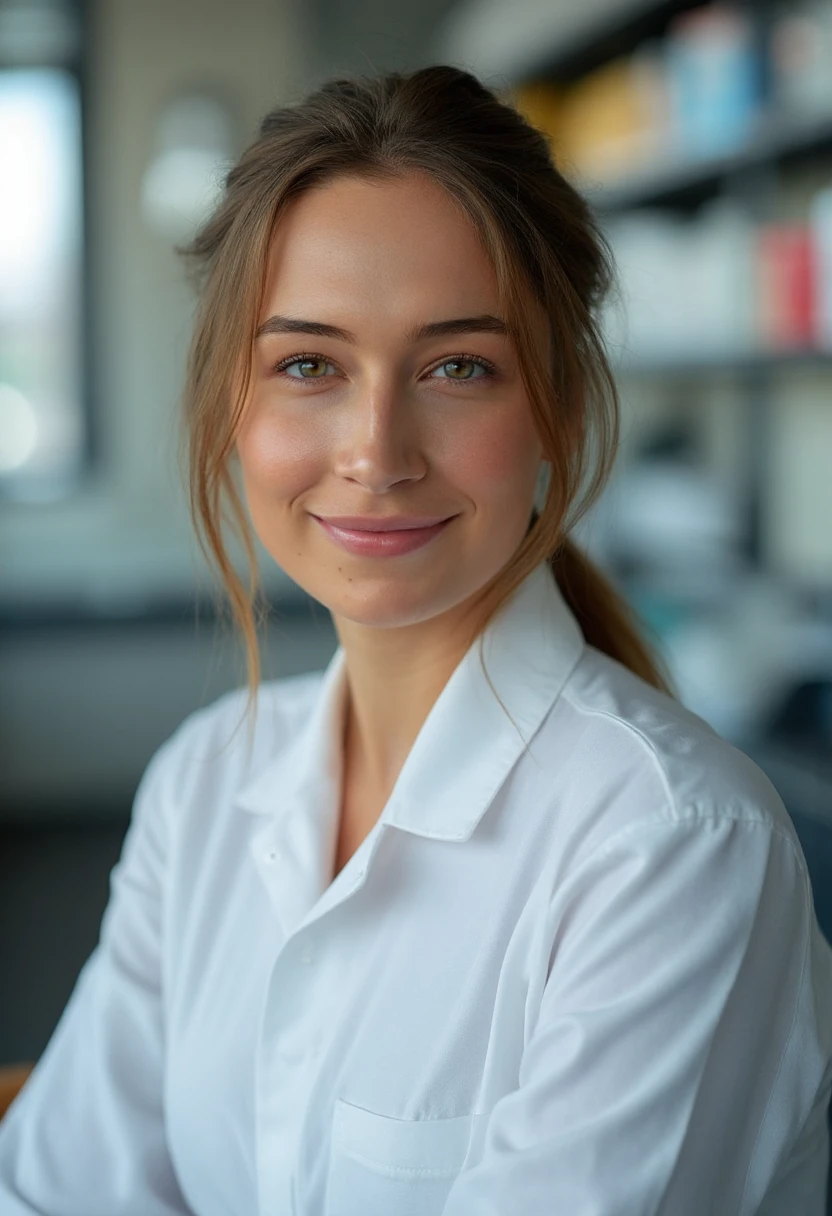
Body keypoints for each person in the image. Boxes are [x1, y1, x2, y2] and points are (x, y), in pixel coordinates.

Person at [0, 64, 830, 1216]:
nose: (376, 450)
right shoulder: (204, 782)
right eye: (308, 365)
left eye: (457, 367)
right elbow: (54, 1188)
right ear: (227, 409)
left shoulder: (669, 846)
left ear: (560, 410)